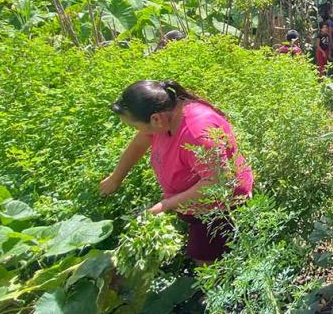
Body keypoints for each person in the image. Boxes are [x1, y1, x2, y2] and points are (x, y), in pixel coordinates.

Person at [100, 80, 254, 264]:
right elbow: (140, 141)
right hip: (194, 202)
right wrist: (116, 178)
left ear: (156, 118)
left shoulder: (197, 133)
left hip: (221, 206)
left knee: (206, 260)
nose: (138, 131)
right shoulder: (167, 113)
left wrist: (165, 205)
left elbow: (217, 182)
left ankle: (219, 286)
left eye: (136, 126)